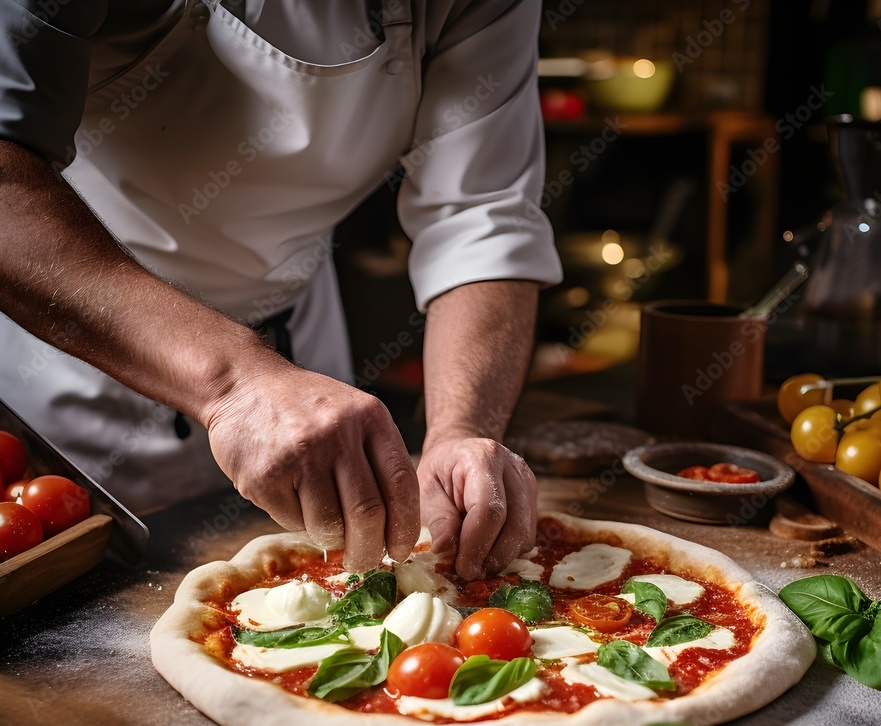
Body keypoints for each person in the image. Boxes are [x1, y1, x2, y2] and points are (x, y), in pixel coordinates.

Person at [0, 0, 562, 578]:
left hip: (300, 361)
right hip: (80, 347)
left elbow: (482, 216)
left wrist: (460, 429)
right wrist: (235, 381)